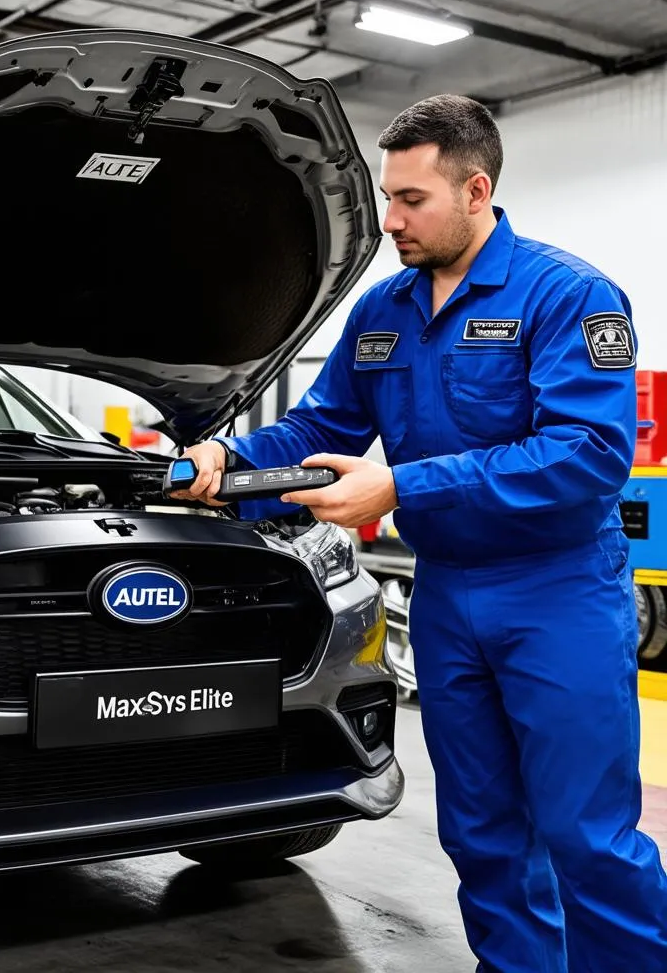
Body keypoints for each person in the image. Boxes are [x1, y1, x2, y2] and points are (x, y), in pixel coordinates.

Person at [170, 94, 667, 972]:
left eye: (412, 200)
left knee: (586, 835)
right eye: (388, 197)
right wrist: (228, 463)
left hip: (558, 593)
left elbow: (588, 456)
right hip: (448, 595)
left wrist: (399, 485)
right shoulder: (383, 311)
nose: (391, 220)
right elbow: (319, 432)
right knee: (481, 833)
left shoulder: (569, 295)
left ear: (476, 191)